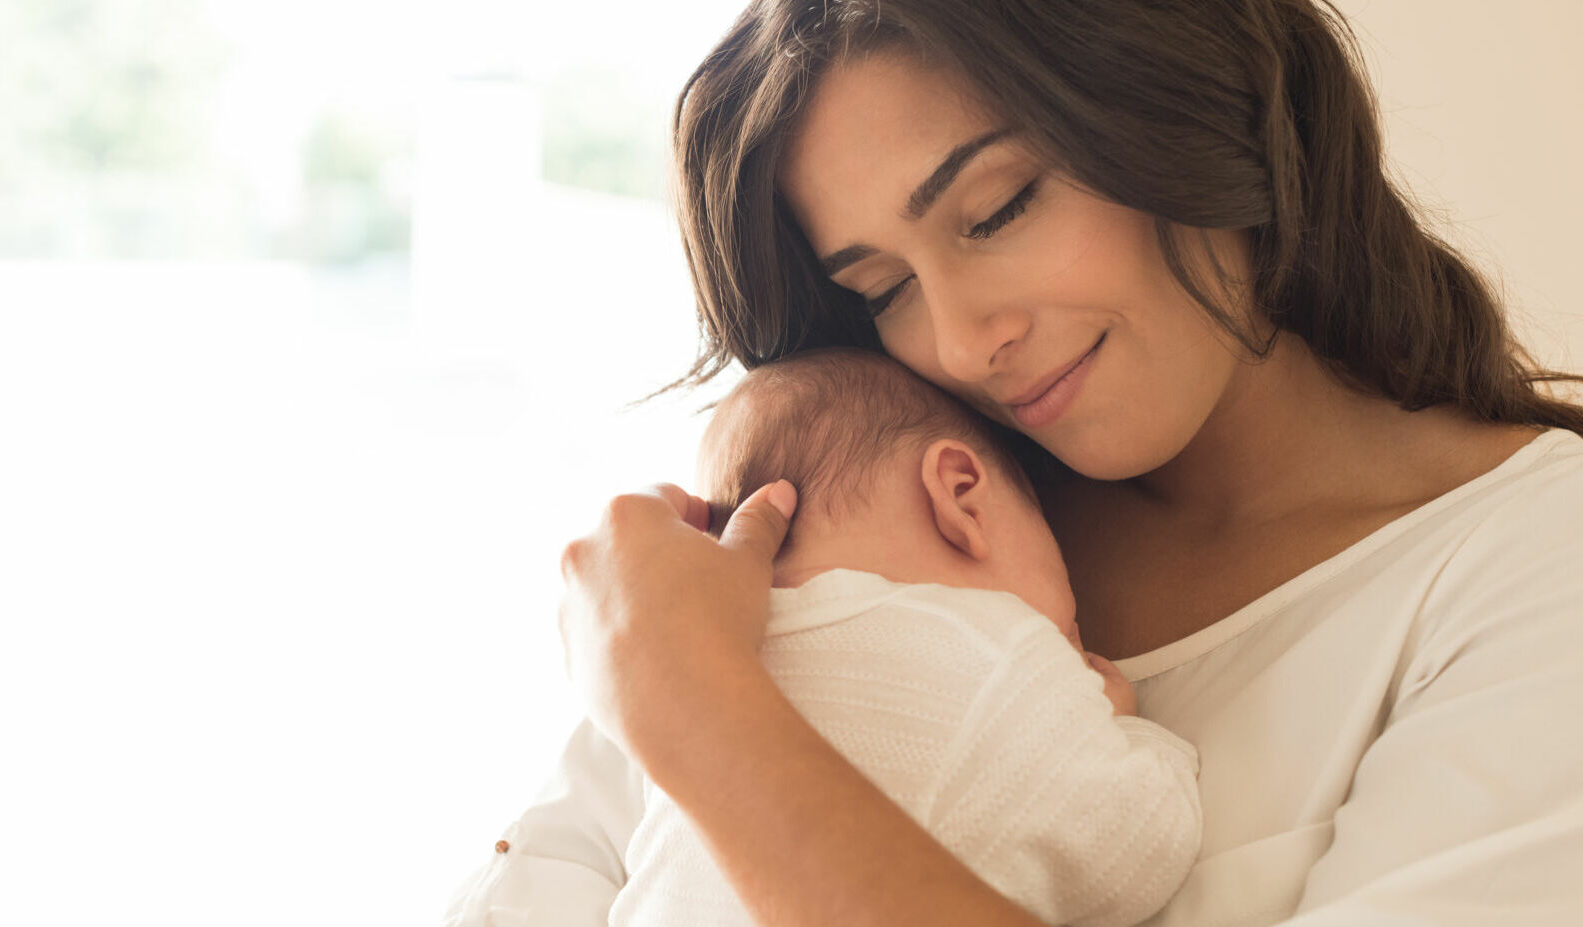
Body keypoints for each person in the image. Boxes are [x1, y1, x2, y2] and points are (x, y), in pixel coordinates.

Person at [462, 1, 1583, 924]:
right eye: (882, 291)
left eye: (995, 211)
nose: (958, 342)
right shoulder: (891, 524)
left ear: (1186, 107)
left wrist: (694, 708)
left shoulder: (1531, 571)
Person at [606, 347, 1201, 927]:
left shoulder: (707, 688)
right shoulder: (997, 650)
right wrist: (1125, 728)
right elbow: (1137, 855)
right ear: (962, 494)